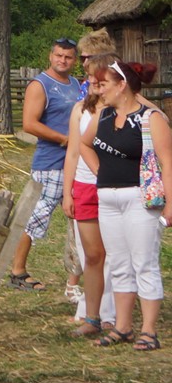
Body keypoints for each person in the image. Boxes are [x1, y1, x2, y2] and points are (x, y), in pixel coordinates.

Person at [74, 61, 169, 350]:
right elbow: (84, 144)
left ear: (122, 85)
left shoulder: (150, 118)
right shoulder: (102, 116)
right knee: (118, 264)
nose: (98, 90)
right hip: (108, 198)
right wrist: (99, 171)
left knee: (144, 263)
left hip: (139, 199)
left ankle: (149, 331)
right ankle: (123, 327)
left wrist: (170, 204)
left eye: (104, 84)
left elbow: (168, 162)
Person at [7, 38, 81, 292]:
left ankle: (77, 277)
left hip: (74, 162)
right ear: (50, 56)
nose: (63, 60)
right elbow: (29, 123)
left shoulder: (74, 84)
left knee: (80, 217)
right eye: (59, 55)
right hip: (50, 163)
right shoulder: (40, 85)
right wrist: (64, 139)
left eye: (68, 57)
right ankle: (17, 271)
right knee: (37, 217)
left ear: (74, 60)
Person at [67, 50, 116, 336]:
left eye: (101, 82)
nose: (95, 88)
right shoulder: (80, 110)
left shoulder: (121, 110)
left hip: (113, 186)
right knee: (92, 255)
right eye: (91, 81)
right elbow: (73, 152)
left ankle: (112, 315)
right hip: (85, 186)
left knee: (116, 254)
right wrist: (67, 193)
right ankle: (91, 314)